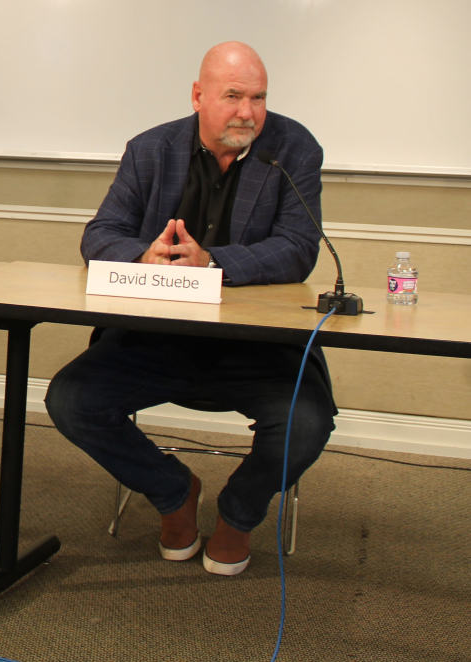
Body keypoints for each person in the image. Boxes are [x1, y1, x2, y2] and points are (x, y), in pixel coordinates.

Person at [44, 42, 337, 576]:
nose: (248, 112)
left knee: (309, 421)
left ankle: (238, 514)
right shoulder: (151, 149)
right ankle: (174, 493)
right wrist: (144, 254)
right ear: (199, 96)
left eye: (258, 97)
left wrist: (212, 263)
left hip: (256, 347)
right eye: (232, 96)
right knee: (70, 400)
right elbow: (99, 235)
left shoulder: (293, 149)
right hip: (155, 341)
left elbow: (299, 248)